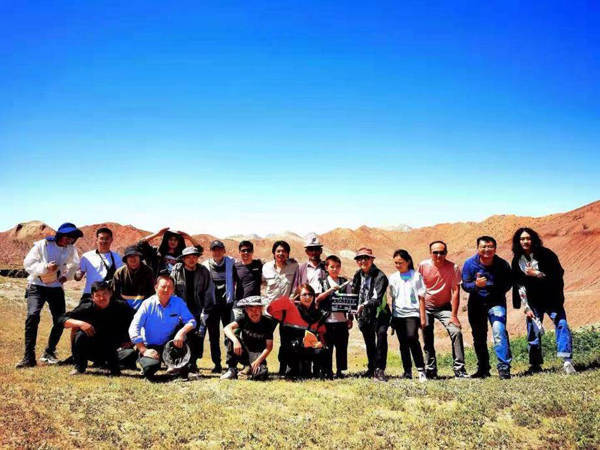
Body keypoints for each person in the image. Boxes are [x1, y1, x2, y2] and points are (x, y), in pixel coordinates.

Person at [511, 227, 576, 375]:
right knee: (533, 330)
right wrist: (526, 307)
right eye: (522, 239)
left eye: (528, 238)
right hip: (533, 302)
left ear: (533, 239)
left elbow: (558, 274)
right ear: (518, 242)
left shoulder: (547, 254)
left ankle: (567, 361)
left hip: (552, 299)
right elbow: (519, 285)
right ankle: (535, 365)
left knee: (561, 324)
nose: (525, 241)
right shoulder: (517, 260)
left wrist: (538, 274)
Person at [17, 223, 82, 368]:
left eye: (72, 239)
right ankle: (28, 357)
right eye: (67, 237)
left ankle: (49, 352)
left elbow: (74, 264)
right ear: (60, 235)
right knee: (32, 316)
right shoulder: (43, 245)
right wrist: (45, 267)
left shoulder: (70, 249)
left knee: (60, 319)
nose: (69, 241)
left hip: (56, 287)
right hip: (37, 285)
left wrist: (67, 276)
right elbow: (28, 264)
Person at [128, 273, 197, 380]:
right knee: (149, 369)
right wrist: (143, 350)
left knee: (192, 334)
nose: (166, 290)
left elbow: (191, 321)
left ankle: (181, 366)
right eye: (163, 287)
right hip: (150, 345)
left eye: (169, 287)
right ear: (156, 287)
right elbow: (134, 328)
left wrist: (181, 333)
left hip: (170, 345)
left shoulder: (178, 302)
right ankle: (146, 363)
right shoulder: (147, 304)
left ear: (173, 289)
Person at [462, 236, 513, 379]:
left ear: (495, 249)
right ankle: (483, 369)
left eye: (490, 247)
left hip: (496, 302)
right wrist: (476, 285)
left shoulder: (502, 264)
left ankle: (504, 368)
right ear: (478, 248)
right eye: (483, 246)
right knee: (479, 336)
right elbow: (465, 285)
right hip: (476, 303)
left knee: (499, 331)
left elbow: (508, 284)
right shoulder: (469, 264)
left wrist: (491, 287)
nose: (487, 250)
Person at [59, 281, 135, 375]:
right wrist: (81, 323)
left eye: (104, 294)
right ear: (92, 296)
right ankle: (79, 367)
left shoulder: (121, 307)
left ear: (110, 294)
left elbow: (137, 322)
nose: (101, 298)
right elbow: (61, 320)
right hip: (92, 347)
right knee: (80, 334)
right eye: (97, 295)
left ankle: (111, 366)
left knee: (130, 354)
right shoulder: (86, 307)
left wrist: (130, 339)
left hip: (113, 348)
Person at [418, 241, 468, 379]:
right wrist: (421, 313)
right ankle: (431, 370)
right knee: (427, 336)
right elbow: (419, 290)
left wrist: (454, 316)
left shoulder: (453, 268)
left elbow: (456, 291)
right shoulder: (423, 266)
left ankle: (459, 369)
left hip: (444, 307)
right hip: (426, 307)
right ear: (430, 253)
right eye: (435, 252)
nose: (439, 255)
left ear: (446, 253)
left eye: (442, 252)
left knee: (456, 331)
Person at [267, 284, 328, 379]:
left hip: (307, 350)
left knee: (322, 351)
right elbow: (270, 309)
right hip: (290, 350)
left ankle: (318, 373)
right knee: (293, 374)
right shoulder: (289, 308)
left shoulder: (317, 314)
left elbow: (322, 332)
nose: (307, 297)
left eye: (310, 294)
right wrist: (286, 301)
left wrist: (321, 343)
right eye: (304, 294)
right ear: (298, 296)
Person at [171, 246, 216, 373]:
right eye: (188, 257)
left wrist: (205, 310)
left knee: (197, 338)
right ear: (183, 259)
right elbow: (172, 290)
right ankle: (180, 363)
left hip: (198, 310)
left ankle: (193, 364)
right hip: (181, 310)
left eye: (194, 257)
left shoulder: (203, 271)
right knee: (181, 336)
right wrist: (175, 309)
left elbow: (209, 291)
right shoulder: (177, 270)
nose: (192, 260)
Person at [388, 249, 427, 382]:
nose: (398, 265)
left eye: (400, 262)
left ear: (408, 261)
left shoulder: (416, 276)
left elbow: (421, 297)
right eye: (396, 263)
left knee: (412, 338)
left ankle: (421, 370)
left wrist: (422, 317)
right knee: (403, 343)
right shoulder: (393, 278)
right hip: (398, 314)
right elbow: (393, 297)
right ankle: (407, 371)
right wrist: (392, 316)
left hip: (412, 313)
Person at [352, 247, 390, 382]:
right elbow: (355, 293)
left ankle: (380, 370)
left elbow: (377, 298)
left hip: (380, 314)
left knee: (381, 339)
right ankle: (371, 368)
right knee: (369, 342)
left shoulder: (380, 276)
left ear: (372, 259)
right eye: (360, 258)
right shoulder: (357, 275)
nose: (363, 261)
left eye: (366, 258)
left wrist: (363, 305)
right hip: (364, 315)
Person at [262, 240, 299, 375]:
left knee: (286, 341)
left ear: (288, 254)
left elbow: (298, 284)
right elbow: (261, 284)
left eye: (284, 251)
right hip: (270, 311)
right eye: (278, 251)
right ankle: (261, 367)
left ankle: (284, 369)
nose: (281, 253)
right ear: (273, 253)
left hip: (286, 311)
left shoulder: (294, 266)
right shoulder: (266, 267)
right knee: (264, 339)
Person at [315, 255, 353, 379]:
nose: (335, 269)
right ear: (326, 268)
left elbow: (350, 302)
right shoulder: (322, 282)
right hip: (327, 321)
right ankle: (328, 371)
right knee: (327, 347)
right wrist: (330, 290)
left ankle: (340, 371)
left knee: (341, 347)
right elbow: (317, 299)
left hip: (341, 321)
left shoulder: (345, 282)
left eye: (337, 267)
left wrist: (350, 318)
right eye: (332, 267)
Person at [202, 240, 237, 373]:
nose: (217, 252)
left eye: (219, 249)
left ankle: (230, 364)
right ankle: (217, 364)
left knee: (229, 335)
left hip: (228, 305)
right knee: (213, 336)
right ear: (211, 251)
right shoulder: (205, 266)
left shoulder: (231, 263)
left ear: (224, 251)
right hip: (212, 306)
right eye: (214, 249)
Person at [220, 296, 274, 381]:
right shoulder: (244, 318)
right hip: (243, 351)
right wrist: (235, 341)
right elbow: (227, 328)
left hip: (257, 355)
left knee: (261, 375)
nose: (254, 312)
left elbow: (269, 347)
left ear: (261, 309)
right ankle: (232, 370)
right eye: (251, 310)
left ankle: (251, 370)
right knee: (231, 338)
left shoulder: (267, 322)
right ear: (246, 310)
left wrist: (258, 361)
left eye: (257, 309)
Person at [74, 227, 123, 302]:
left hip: (108, 296)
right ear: (97, 240)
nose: (104, 241)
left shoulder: (117, 257)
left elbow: (120, 277)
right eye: (101, 238)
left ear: (111, 240)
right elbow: (78, 277)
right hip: (90, 294)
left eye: (107, 238)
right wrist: (76, 274)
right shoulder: (86, 256)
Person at [137, 227, 203, 277]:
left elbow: (199, 250)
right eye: (170, 239)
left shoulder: (183, 255)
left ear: (178, 242)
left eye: (175, 240)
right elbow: (141, 244)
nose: (173, 242)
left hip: (178, 286)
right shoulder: (156, 253)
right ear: (166, 240)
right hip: (160, 285)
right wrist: (157, 234)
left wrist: (189, 238)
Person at [112, 246, 155, 310]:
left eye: (135, 256)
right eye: (130, 257)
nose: (133, 260)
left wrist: (143, 306)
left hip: (143, 306)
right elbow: (115, 294)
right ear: (126, 260)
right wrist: (123, 305)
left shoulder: (148, 271)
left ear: (140, 258)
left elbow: (151, 293)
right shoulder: (119, 273)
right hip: (124, 306)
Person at [233, 240, 263, 322]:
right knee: (237, 328)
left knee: (254, 328)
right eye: (243, 250)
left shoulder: (259, 264)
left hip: (255, 305)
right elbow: (231, 284)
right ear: (239, 252)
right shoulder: (235, 267)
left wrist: (289, 260)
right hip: (239, 304)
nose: (246, 252)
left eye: (249, 250)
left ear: (252, 252)